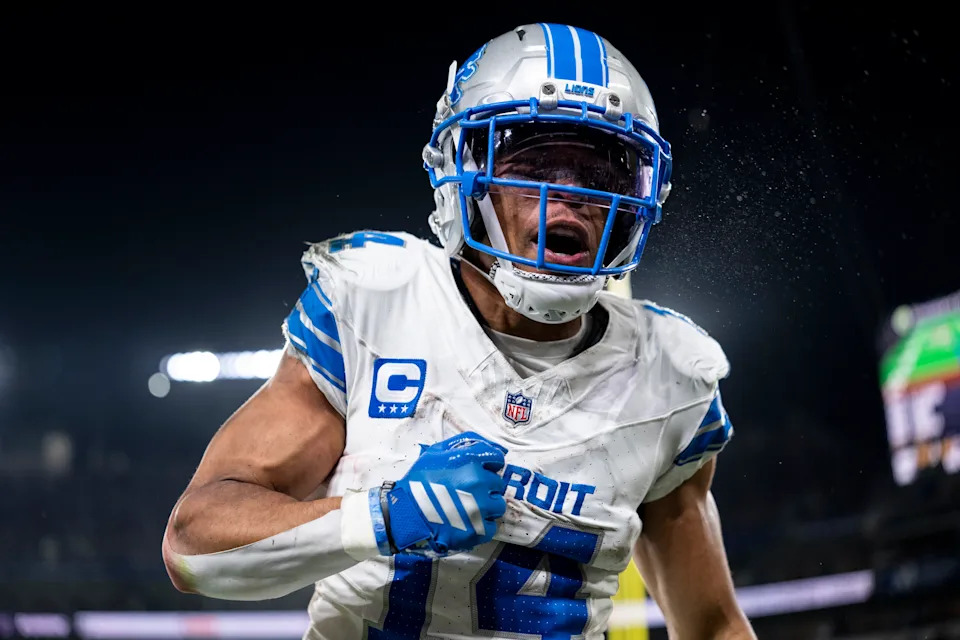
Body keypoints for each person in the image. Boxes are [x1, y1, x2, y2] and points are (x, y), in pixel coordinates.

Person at [161, 22, 756, 639]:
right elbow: (194, 546)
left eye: (601, 173)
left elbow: (712, 625)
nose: (570, 194)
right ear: (465, 174)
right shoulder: (377, 304)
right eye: (537, 160)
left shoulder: (670, 374)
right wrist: (383, 517)